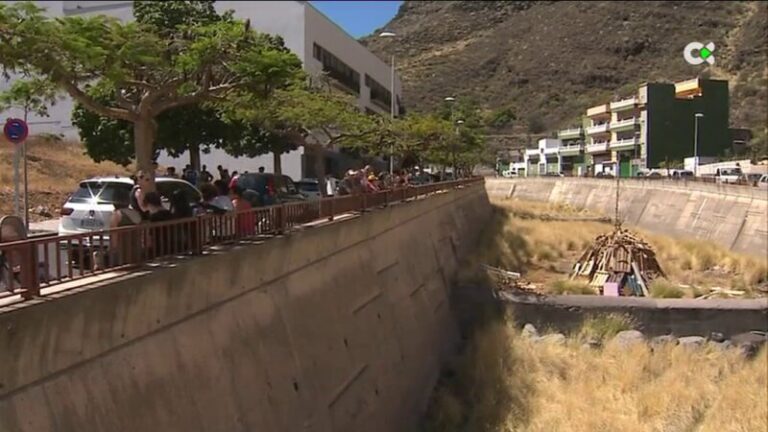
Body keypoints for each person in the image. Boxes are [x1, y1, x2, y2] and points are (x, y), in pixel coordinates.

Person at [108, 187, 143, 267]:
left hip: (122, 255)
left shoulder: (117, 215)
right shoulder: (136, 213)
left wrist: (112, 253)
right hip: (136, 253)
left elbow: (114, 239)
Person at [143, 191, 174, 257]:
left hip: (158, 247)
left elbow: (150, 236)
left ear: (149, 203)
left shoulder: (153, 217)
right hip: (172, 244)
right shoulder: (169, 214)